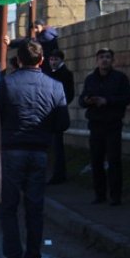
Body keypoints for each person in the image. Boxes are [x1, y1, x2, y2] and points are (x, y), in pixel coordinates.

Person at [0, 39, 69, 258]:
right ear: (42, 60)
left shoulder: (5, 85)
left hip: (11, 151)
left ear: (18, 60)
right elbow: (63, 123)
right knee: (35, 208)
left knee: (8, 207)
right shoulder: (56, 86)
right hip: (40, 152)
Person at [79, 48, 130, 206]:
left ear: (112, 60)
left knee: (114, 160)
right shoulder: (90, 79)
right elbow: (81, 100)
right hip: (95, 124)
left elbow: (127, 98)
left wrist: (107, 101)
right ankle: (99, 194)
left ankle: (116, 196)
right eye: (101, 57)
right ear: (97, 60)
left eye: (108, 57)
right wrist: (87, 101)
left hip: (113, 124)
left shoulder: (120, 78)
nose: (104, 60)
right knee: (96, 160)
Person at [44, 49, 75, 185]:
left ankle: (59, 174)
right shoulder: (50, 73)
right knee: (53, 146)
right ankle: (55, 173)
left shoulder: (65, 74)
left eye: (55, 59)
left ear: (61, 60)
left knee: (57, 146)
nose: (53, 62)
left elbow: (69, 94)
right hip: (51, 114)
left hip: (57, 114)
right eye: (51, 59)